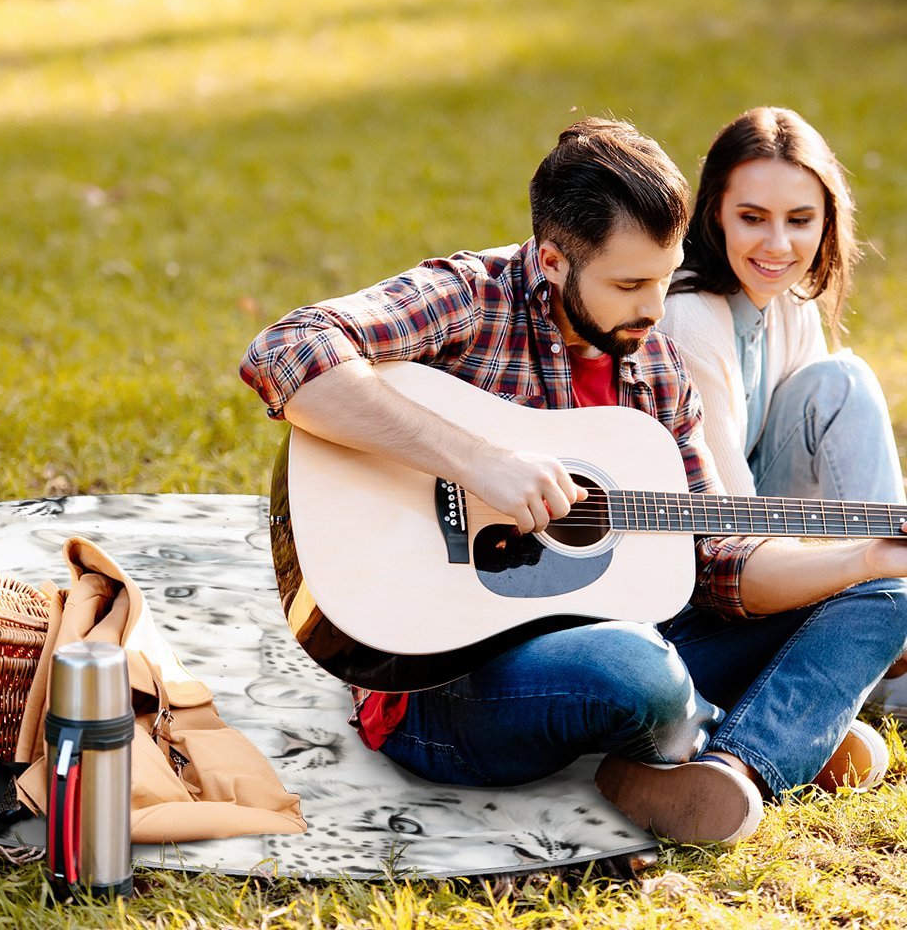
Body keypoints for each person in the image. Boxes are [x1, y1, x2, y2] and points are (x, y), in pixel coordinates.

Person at [240, 117, 907, 846]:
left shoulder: (655, 365)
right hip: (444, 685)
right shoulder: (471, 297)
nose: (655, 310)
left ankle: (737, 765)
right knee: (636, 671)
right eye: (629, 284)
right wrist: (476, 460)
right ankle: (768, 726)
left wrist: (863, 558)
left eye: (664, 276)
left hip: (631, 638)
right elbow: (287, 349)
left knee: (888, 594)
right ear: (553, 260)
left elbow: (717, 559)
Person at [660, 106, 907, 718]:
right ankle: (885, 656)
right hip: (702, 579)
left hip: (767, 544)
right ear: (714, 211)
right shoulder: (690, 316)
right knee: (844, 381)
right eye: (752, 218)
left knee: (838, 381)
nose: (778, 245)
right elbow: (731, 532)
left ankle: (886, 624)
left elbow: (826, 475)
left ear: (827, 221)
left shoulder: (789, 300)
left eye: (800, 220)